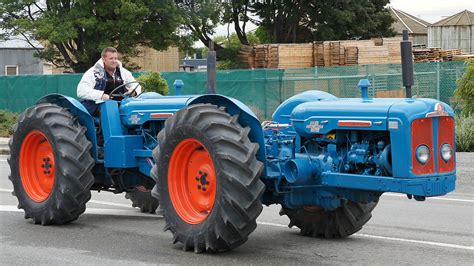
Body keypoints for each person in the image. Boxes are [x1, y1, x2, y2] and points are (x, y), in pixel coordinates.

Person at [77, 47, 141, 114]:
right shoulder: (93, 73)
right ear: (103, 59)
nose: (114, 61)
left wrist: (133, 91)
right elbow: (81, 90)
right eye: (111, 58)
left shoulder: (123, 72)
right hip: (98, 105)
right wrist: (101, 96)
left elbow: (136, 84)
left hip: (121, 104)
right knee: (109, 108)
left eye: (115, 58)